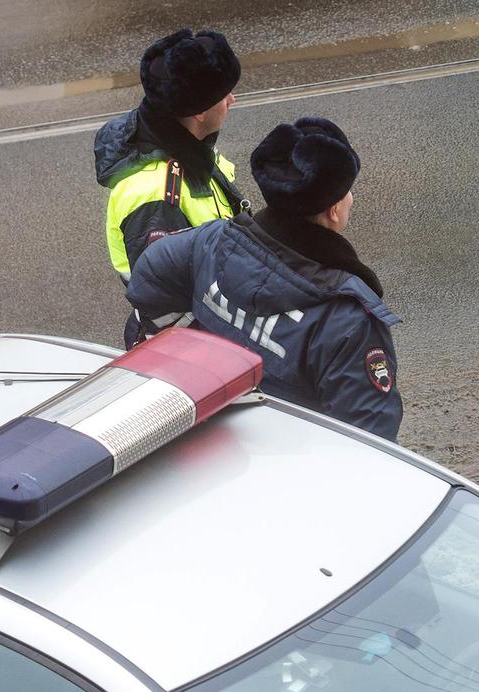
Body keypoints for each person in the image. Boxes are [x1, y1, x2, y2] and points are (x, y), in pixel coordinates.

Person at [126, 117, 404, 442]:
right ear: (333, 210)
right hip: (282, 464)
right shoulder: (348, 321)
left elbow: (150, 276)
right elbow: (370, 443)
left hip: (213, 433)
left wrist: (192, 355)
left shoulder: (214, 240)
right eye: (348, 192)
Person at [94, 28, 246, 348]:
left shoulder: (188, 147)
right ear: (199, 111)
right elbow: (170, 303)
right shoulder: (158, 195)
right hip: (191, 347)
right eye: (224, 94)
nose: (232, 100)